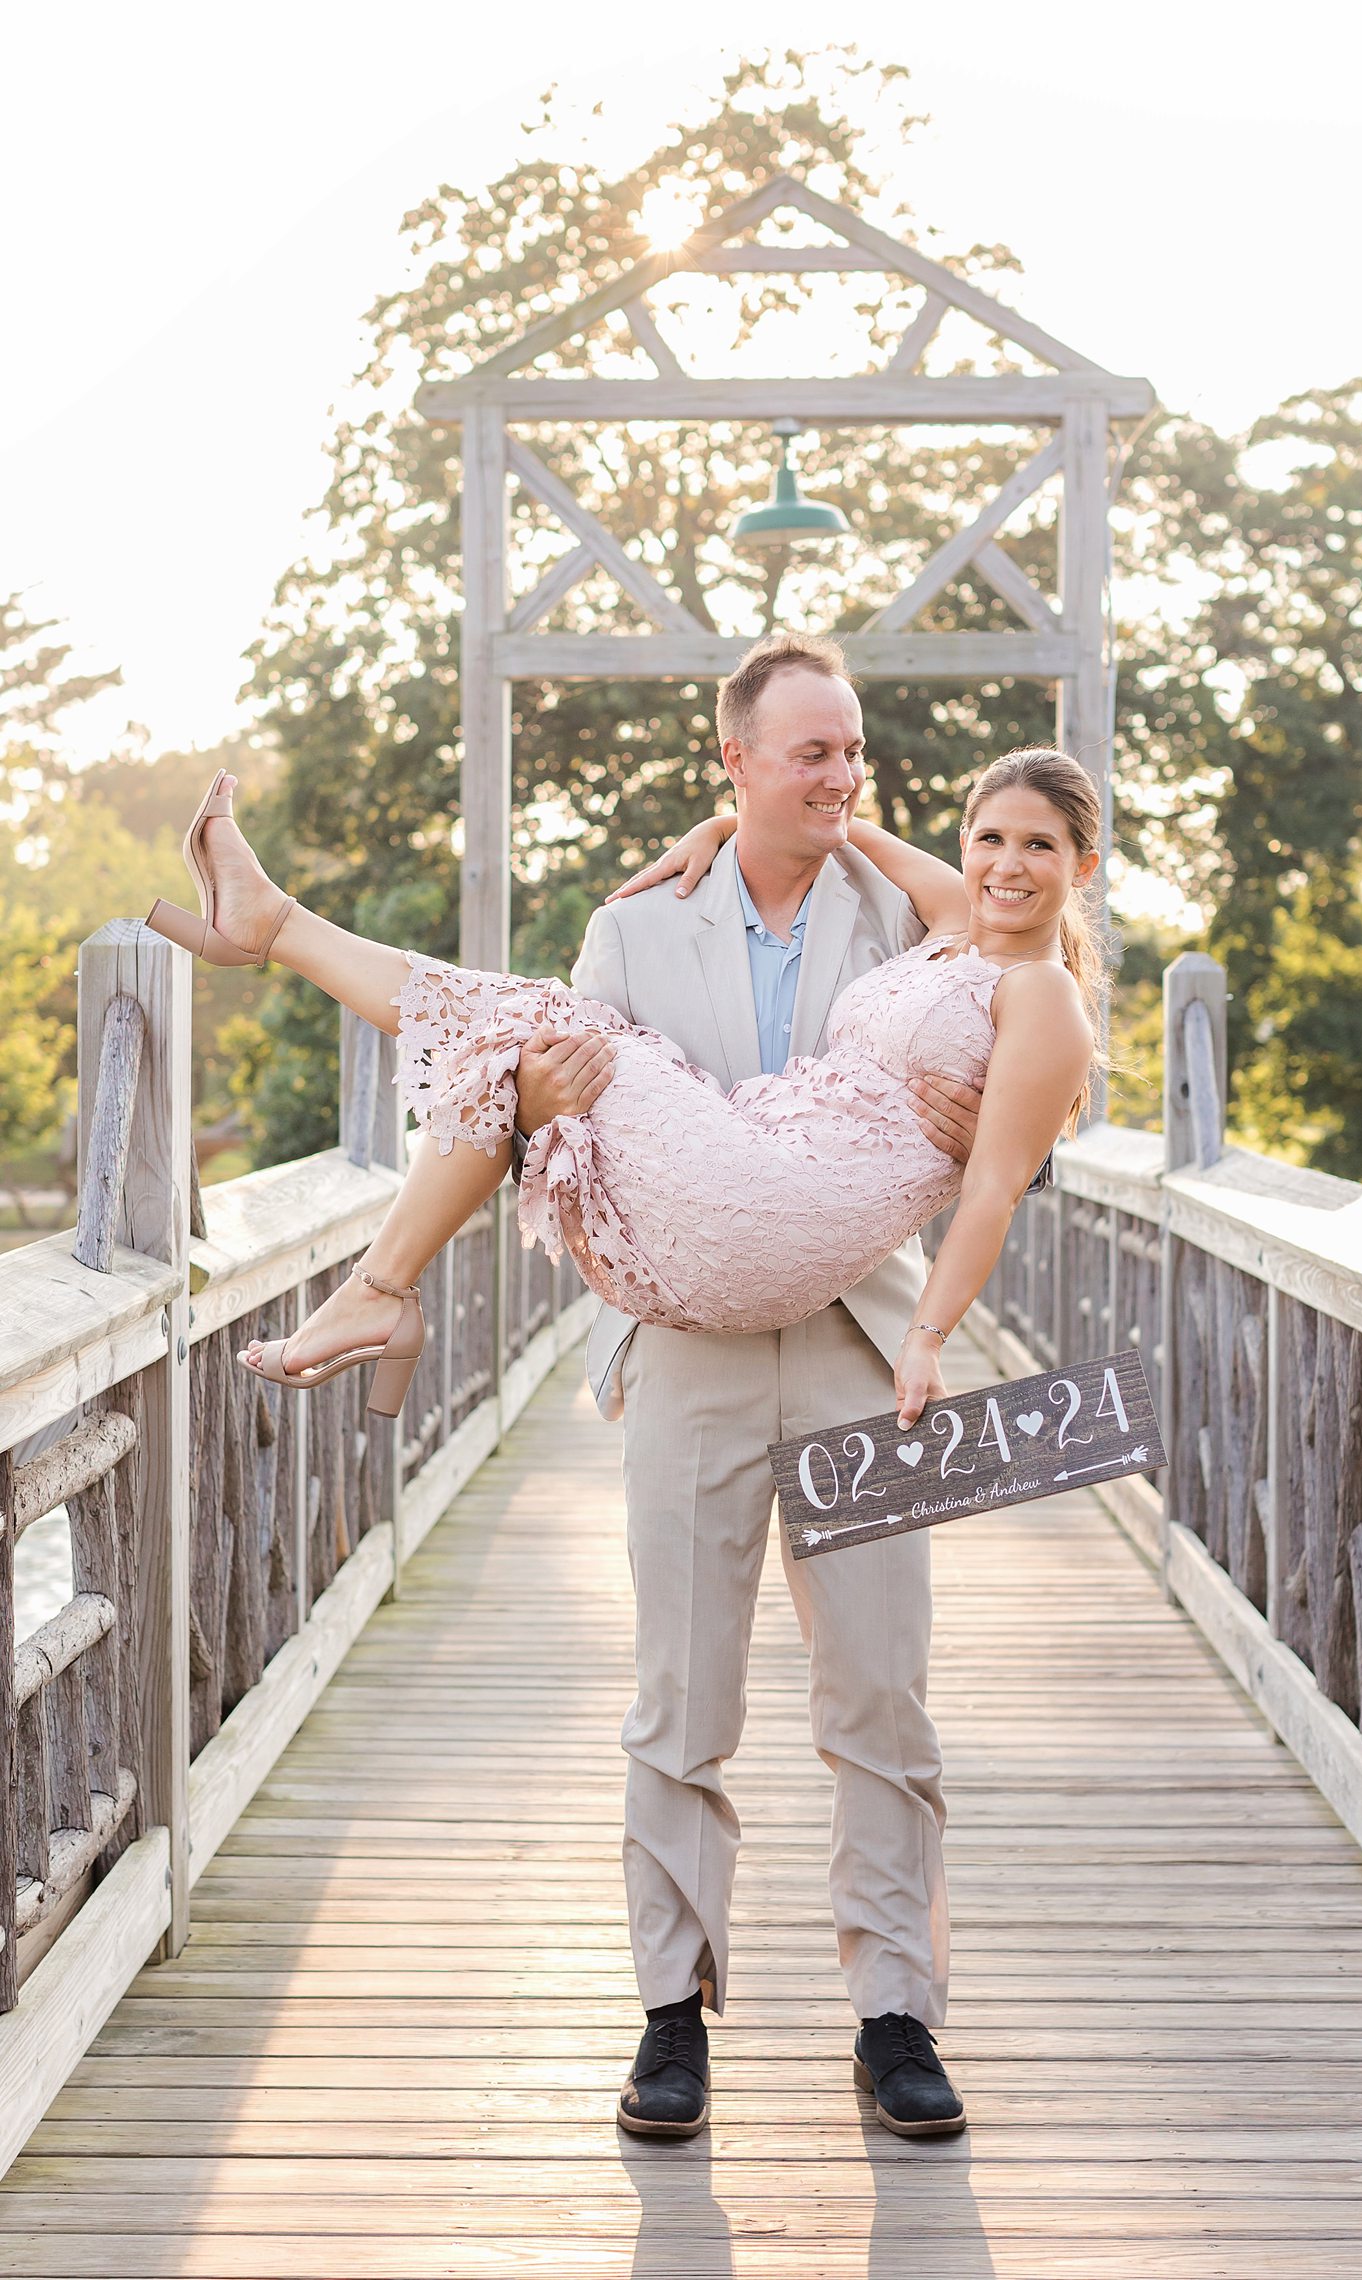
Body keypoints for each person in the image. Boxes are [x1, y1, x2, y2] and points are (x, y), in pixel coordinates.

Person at [145, 631, 1100, 2137]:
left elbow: (1026, 1110)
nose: (843, 776)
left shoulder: (930, 916)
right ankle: (672, 2016)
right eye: (812, 753)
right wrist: (536, 1094)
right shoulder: (635, 928)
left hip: (872, 1349)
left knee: (884, 1702)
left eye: (856, 751)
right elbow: (525, 1102)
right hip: (689, 1352)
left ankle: (899, 2018)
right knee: (680, 1699)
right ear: (735, 762)